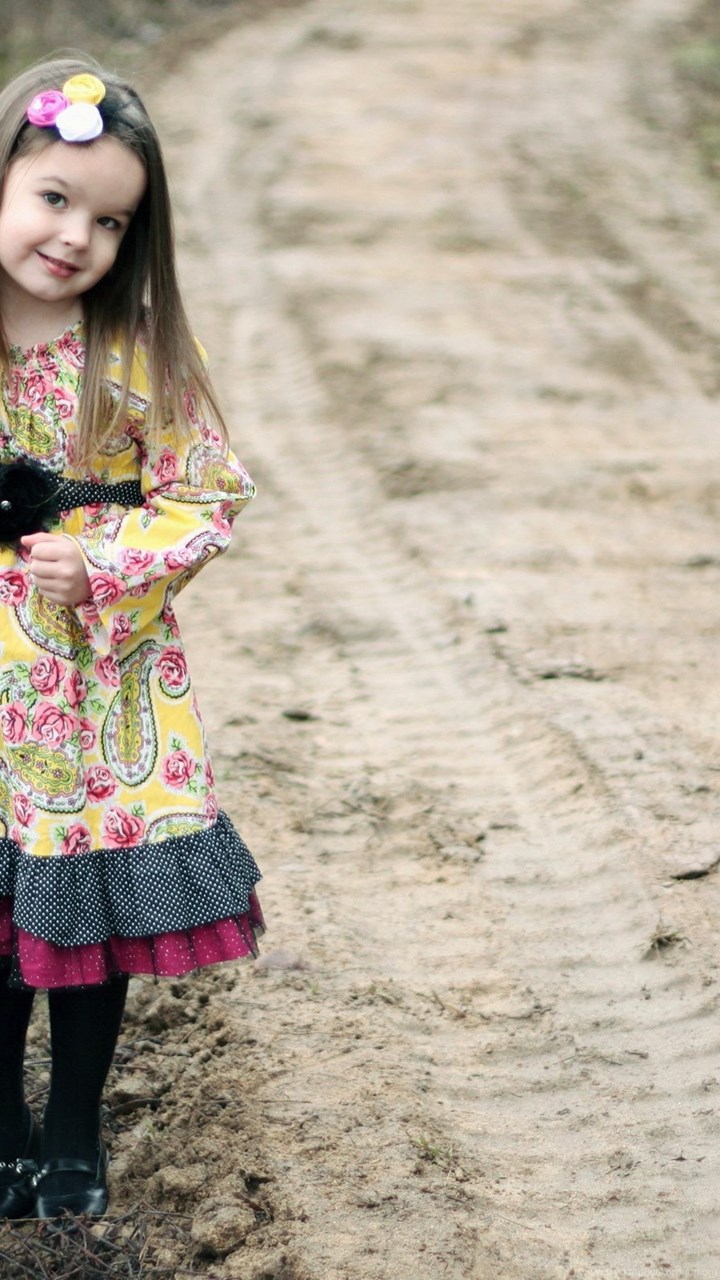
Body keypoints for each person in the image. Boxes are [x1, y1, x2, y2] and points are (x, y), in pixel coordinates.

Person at [0, 55, 264, 1221]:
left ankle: (72, 1123)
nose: (76, 236)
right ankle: (2, 1124)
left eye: (109, 221)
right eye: (54, 198)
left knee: (85, 916)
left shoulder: (137, 352)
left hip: (100, 691)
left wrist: (104, 560)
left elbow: (209, 495)